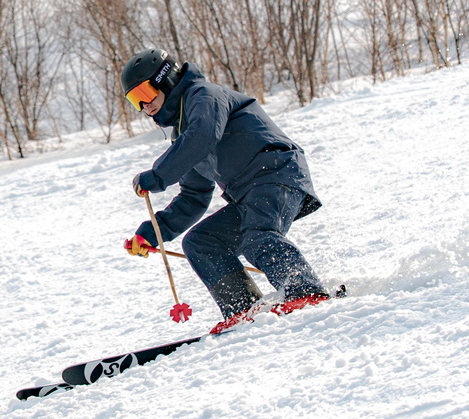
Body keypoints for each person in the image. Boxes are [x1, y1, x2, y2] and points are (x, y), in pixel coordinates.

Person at [120, 48, 329, 332]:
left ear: (165, 79)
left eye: (144, 94)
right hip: (249, 194)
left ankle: (304, 290)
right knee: (201, 242)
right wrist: (153, 232)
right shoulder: (182, 132)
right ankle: (243, 307)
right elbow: (193, 197)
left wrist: (158, 175)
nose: (144, 107)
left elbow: (203, 136)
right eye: (135, 101)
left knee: (257, 237)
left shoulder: (203, 96)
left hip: (276, 172)